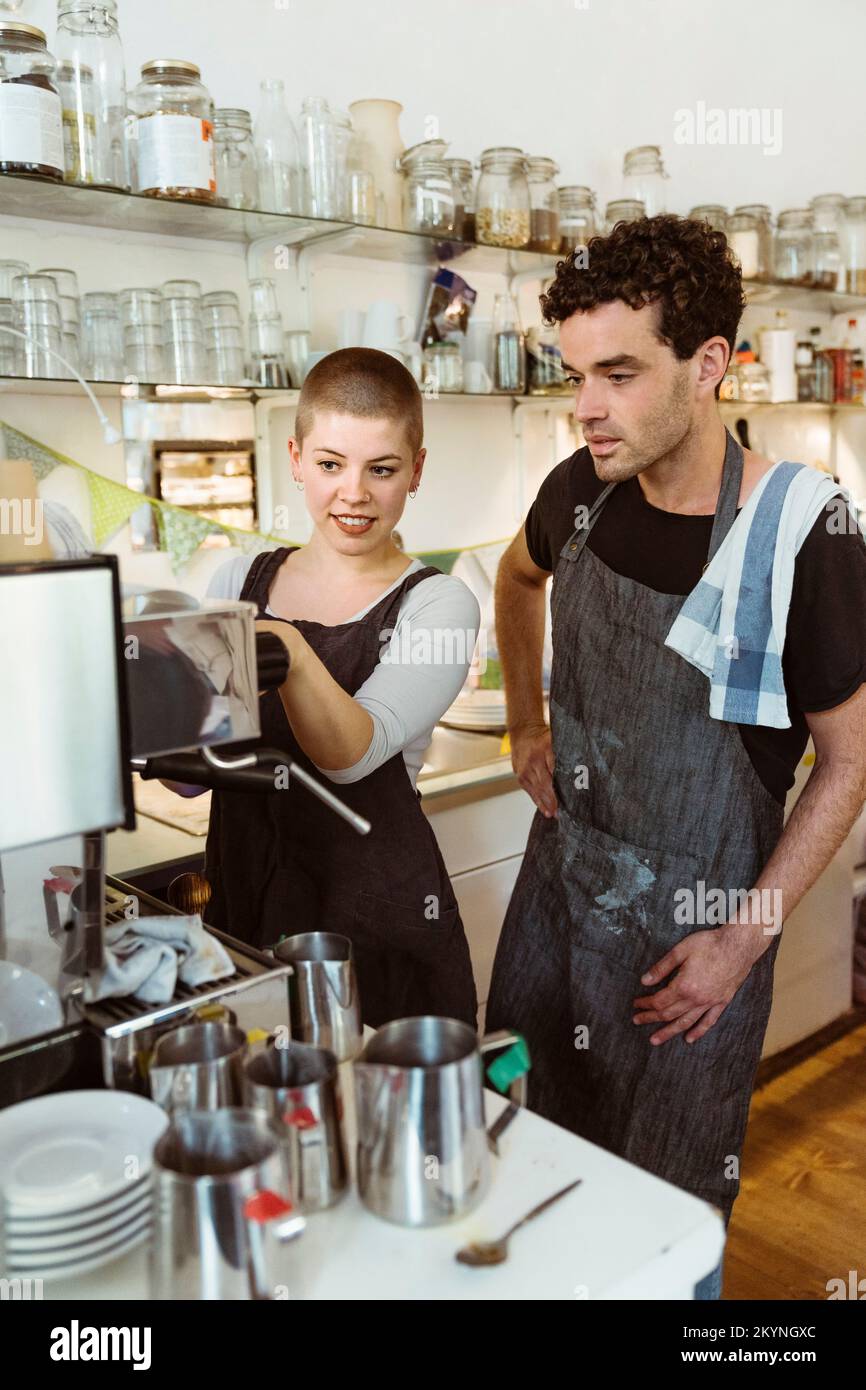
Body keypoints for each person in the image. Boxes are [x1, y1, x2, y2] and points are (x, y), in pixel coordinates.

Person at [485, 215, 866, 1299]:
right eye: (573, 374)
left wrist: (740, 947)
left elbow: (845, 764)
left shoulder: (800, 533)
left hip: (690, 954)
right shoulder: (577, 490)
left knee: (664, 1239)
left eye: (617, 373)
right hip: (557, 911)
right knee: (525, 1176)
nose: (585, 406)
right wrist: (524, 722)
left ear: (707, 364)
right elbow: (513, 585)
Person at [200, 347, 480, 1028]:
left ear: (414, 471)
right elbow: (199, 753)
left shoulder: (439, 603)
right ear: (295, 458)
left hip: (375, 919)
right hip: (245, 894)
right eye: (330, 464)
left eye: (380, 469)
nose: (353, 493)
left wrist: (288, 645)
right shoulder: (236, 580)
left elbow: (350, 755)